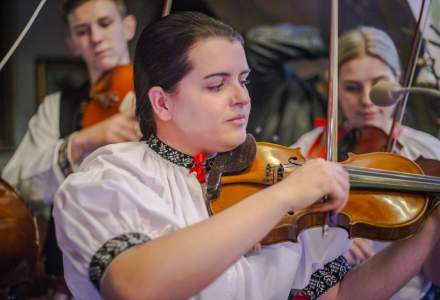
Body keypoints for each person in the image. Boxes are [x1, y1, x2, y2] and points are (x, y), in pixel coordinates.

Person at [53, 12, 440, 300]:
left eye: (243, 80)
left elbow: (338, 295)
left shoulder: (265, 174)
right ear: (162, 102)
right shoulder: (108, 179)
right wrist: (282, 197)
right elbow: (136, 285)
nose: (242, 98)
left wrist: (430, 227)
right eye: (217, 84)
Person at [1, 0, 141, 296]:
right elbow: (16, 193)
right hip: (69, 277)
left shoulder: (155, 97)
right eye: (82, 30)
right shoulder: (56, 108)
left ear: (128, 27)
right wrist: (80, 142)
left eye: (105, 24)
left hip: (147, 264)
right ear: (72, 43)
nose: (96, 38)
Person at [292, 26, 440, 300]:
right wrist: (328, 244)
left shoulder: (429, 153)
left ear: (398, 81)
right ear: (331, 86)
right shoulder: (307, 150)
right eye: (351, 88)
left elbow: (436, 275)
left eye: (379, 85)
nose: (367, 100)